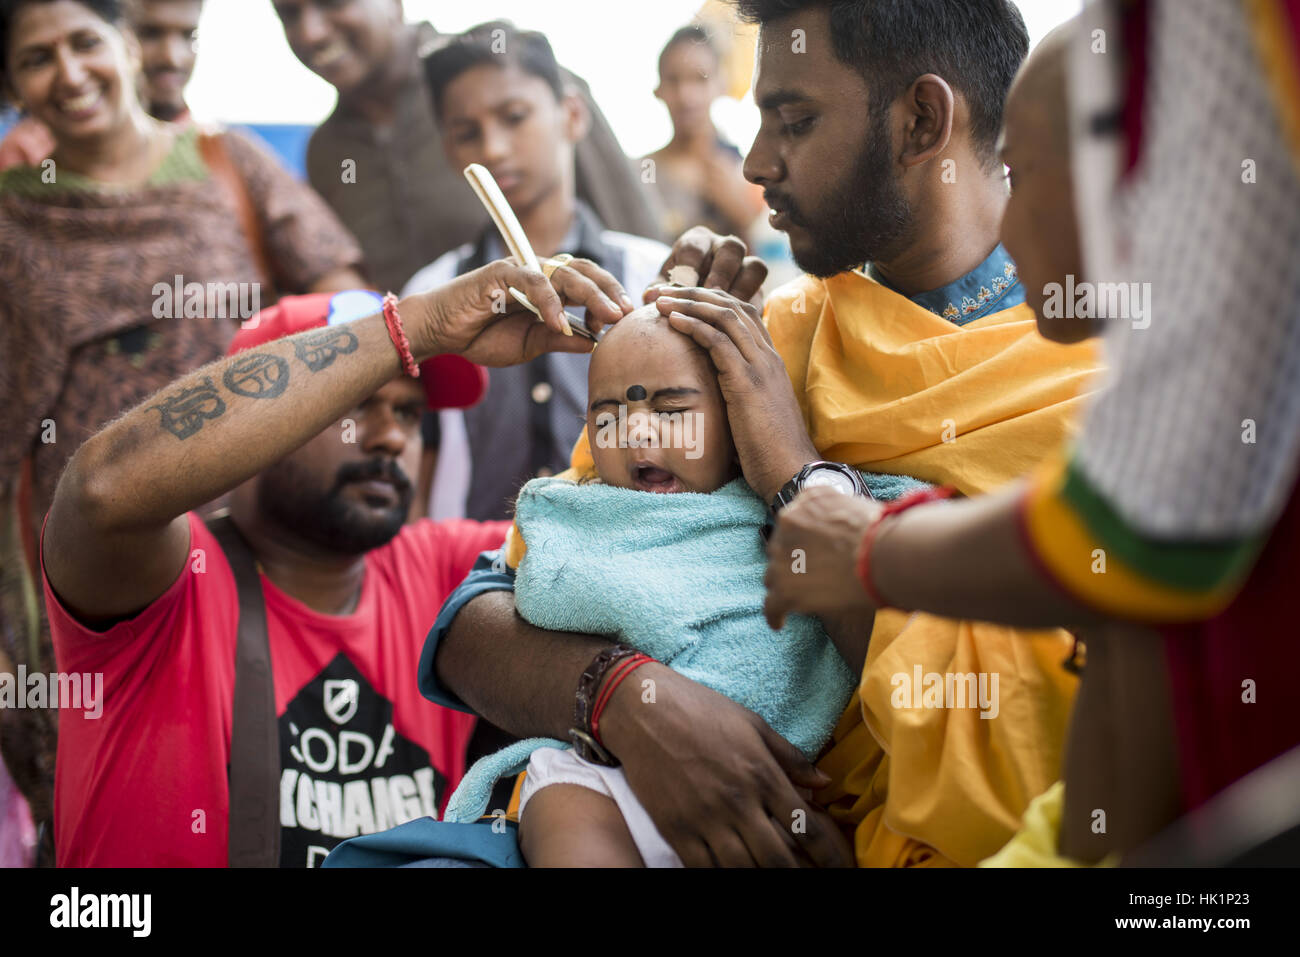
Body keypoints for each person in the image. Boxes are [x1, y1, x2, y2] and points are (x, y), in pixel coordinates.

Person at [417, 0, 1100, 868]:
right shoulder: (753, 342)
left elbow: (1031, 761)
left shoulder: (1111, 395)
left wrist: (795, 475)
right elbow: (479, 619)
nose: (757, 161)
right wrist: (627, 698)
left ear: (922, 120)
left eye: (795, 120)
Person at [762, 0, 1300, 865]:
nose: (1006, 225)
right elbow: (1092, 821)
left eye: (1025, 172)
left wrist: (848, 530)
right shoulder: (770, 336)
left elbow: (1131, 529)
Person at [40, 255, 632, 866]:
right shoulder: (163, 581)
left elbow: (643, 531)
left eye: (407, 413)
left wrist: (671, 339)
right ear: (255, 423)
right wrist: (415, 329)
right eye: (354, 405)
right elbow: (100, 490)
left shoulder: (440, 568)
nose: (390, 438)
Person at [0, 0, 366, 863]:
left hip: (256, 526)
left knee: (279, 758)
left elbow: (346, 303)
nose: (71, 71)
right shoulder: (11, 213)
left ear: (128, 44)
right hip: (92, 558)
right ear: (15, 85)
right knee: (120, 786)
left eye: (85, 41)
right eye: (37, 58)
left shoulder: (224, 161)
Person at [438, 306, 923, 866]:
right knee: (563, 808)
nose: (638, 429)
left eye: (672, 409)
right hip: (603, 780)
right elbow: (519, 606)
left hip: (777, 791)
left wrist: (803, 485)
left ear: (743, 421)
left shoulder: (785, 508)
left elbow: (886, 532)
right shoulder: (586, 513)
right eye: (607, 413)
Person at [403, 22, 668, 522]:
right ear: (448, 149)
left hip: (617, 559)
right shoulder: (430, 295)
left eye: (515, 117)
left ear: (571, 114)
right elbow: (422, 453)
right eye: (466, 132)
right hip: (472, 566)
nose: (494, 148)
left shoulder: (652, 275)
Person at [272, 0, 661, 295]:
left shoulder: (507, 78)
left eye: (331, 1)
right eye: (288, 13)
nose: (310, 32)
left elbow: (633, 245)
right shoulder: (326, 152)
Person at [0, 0, 202, 170]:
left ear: (129, 46)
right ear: (10, 86)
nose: (72, 77)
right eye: (38, 60)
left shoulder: (212, 153)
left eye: (88, 44)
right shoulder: (23, 173)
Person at [643, 25, 766, 246]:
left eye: (700, 79)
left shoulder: (748, 172)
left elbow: (773, 257)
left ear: (721, 85)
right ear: (658, 90)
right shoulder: (642, 173)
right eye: (673, 80)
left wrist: (740, 213)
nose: (686, 95)